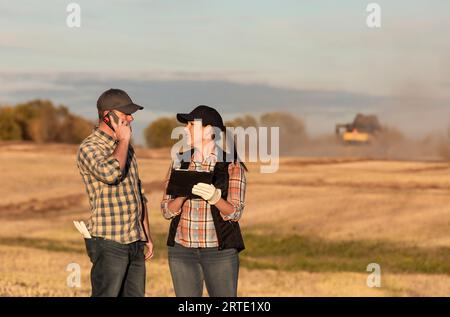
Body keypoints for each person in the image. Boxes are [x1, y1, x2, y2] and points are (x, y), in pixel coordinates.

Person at [161, 105, 247, 297]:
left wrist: (215, 198)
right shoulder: (179, 162)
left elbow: (235, 212)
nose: (185, 129)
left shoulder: (231, 165)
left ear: (209, 130)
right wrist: (183, 195)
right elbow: (166, 210)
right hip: (181, 251)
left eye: (191, 124)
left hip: (219, 252)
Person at [76, 88, 154, 297]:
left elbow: (138, 192)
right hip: (109, 241)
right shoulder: (89, 147)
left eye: (131, 114)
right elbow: (111, 173)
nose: (131, 118)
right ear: (106, 115)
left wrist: (146, 234)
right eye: (125, 114)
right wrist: (123, 141)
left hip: (134, 240)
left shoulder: (126, 147)